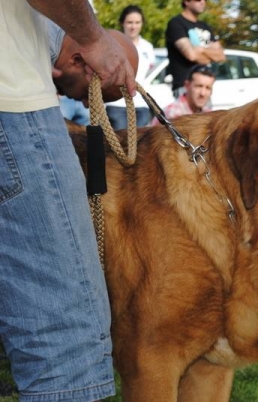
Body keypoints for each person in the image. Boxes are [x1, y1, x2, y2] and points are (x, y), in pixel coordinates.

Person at [0, 1, 135, 401]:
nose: (58, 83)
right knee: (69, 344)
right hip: (12, 107)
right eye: (77, 88)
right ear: (79, 59)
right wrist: (95, 38)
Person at [106, 5, 156, 129]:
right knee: (120, 144)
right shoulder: (112, 43)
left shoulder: (148, 47)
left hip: (141, 104)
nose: (133, 26)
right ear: (122, 23)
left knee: (140, 145)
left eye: (137, 22)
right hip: (117, 103)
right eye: (129, 22)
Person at [166, 0, 225, 97]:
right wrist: (210, 53)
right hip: (185, 88)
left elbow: (221, 56)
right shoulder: (176, 23)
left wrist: (200, 50)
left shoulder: (205, 26)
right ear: (186, 2)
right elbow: (191, 55)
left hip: (206, 87)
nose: (202, 2)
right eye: (198, 0)